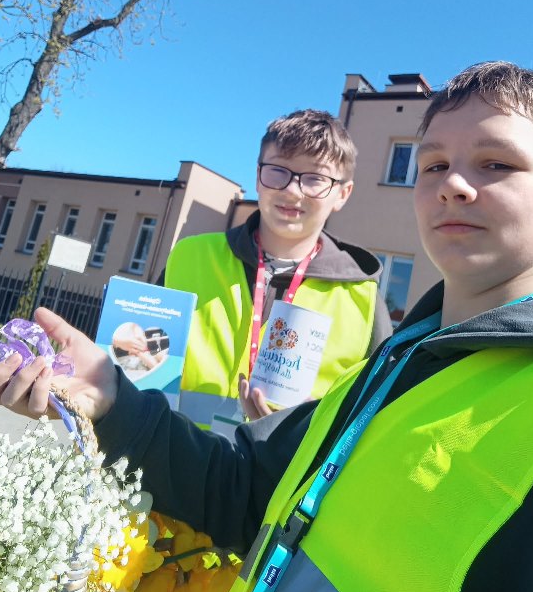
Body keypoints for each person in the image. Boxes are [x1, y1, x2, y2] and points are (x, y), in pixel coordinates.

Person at [0, 60, 533, 592]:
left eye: (498, 163)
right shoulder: (396, 365)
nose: (453, 184)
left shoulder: (376, 306)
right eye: (434, 164)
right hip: (166, 497)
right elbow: (245, 488)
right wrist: (114, 395)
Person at [163, 108, 392, 428]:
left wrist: (312, 426)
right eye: (278, 170)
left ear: (342, 194)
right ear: (258, 176)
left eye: (315, 178)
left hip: (288, 462)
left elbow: (372, 415)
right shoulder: (189, 256)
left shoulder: (362, 299)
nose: (292, 190)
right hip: (176, 452)